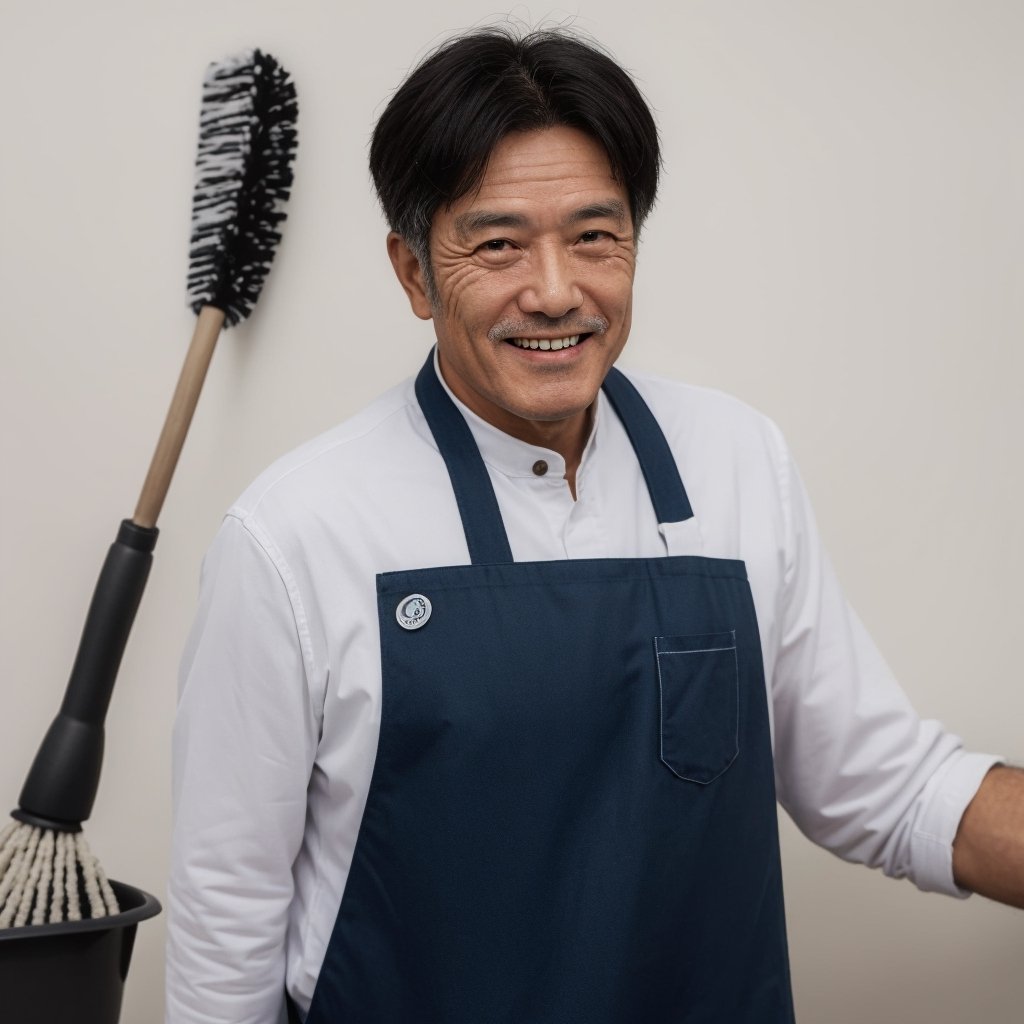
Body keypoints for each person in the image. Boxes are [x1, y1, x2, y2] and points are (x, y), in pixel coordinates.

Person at [166, 26, 1023, 1024]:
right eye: (496, 244)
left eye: (593, 236)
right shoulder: (295, 535)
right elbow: (227, 928)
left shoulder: (736, 462)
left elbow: (889, 787)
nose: (556, 290)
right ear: (412, 273)